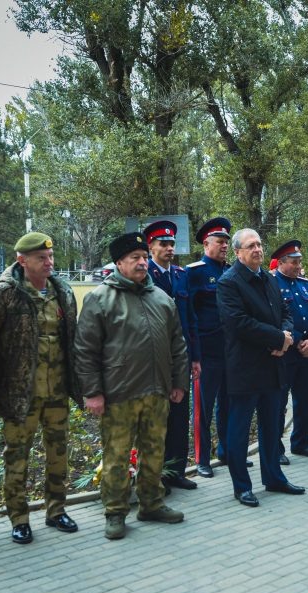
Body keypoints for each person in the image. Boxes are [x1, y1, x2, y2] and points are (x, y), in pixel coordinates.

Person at [0, 232, 81, 545]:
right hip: (21, 394)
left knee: (58, 454)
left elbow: (72, 340)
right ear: (22, 260)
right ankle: (19, 517)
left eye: (51, 257)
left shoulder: (62, 291)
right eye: (41, 258)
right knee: (17, 458)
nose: (49, 262)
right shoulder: (5, 294)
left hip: (57, 390)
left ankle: (56, 510)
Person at [75, 232, 188, 539]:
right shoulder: (100, 298)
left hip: (157, 391)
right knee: (117, 456)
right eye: (134, 258)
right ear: (119, 263)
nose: (142, 263)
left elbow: (178, 345)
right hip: (119, 394)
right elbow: (85, 350)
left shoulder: (161, 299)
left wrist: (178, 382)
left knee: (154, 452)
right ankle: (115, 512)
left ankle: (151, 503)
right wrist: (93, 392)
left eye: (143, 257)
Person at [217, 228, 305, 507]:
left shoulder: (267, 278)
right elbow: (238, 323)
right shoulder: (229, 282)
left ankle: (274, 477)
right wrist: (278, 338)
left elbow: (286, 311)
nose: (257, 249)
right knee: (240, 428)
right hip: (246, 366)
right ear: (237, 252)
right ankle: (241, 486)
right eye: (251, 245)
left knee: (271, 425)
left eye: (259, 244)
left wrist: (286, 337)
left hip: (274, 364)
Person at [144, 220, 199, 491]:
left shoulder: (180, 275)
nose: (168, 248)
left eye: (171, 244)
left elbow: (190, 320)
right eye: (162, 244)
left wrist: (195, 357)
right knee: (157, 418)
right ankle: (157, 475)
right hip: (156, 357)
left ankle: (176, 471)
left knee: (179, 416)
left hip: (181, 356)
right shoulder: (145, 276)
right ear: (150, 246)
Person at [187, 217, 233, 478]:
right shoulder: (195, 272)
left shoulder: (229, 272)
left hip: (229, 351)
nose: (225, 245)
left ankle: (226, 452)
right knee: (202, 409)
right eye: (220, 241)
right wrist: (194, 354)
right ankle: (202, 459)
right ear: (206, 243)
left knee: (227, 404)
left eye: (227, 241)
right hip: (206, 352)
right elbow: (189, 314)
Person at [272, 239, 308, 460]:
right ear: (282, 262)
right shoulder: (272, 283)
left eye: (299, 261)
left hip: (307, 352)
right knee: (279, 403)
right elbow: (278, 318)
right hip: (286, 352)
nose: (298, 266)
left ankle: (301, 442)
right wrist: (299, 339)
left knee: (305, 402)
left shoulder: (303, 284)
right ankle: (276, 448)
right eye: (294, 262)